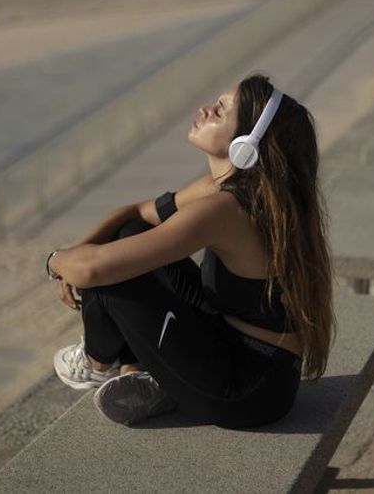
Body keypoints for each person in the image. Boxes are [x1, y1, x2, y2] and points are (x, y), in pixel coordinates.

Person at [45, 74, 335, 426]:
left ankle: (95, 363)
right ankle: (142, 374)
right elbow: (135, 213)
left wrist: (55, 261)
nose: (204, 109)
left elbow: (92, 271)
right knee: (129, 233)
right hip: (242, 350)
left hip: (249, 391)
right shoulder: (242, 188)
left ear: (245, 144)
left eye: (219, 112)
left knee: (112, 279)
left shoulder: (225, 209)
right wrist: (77, 250)